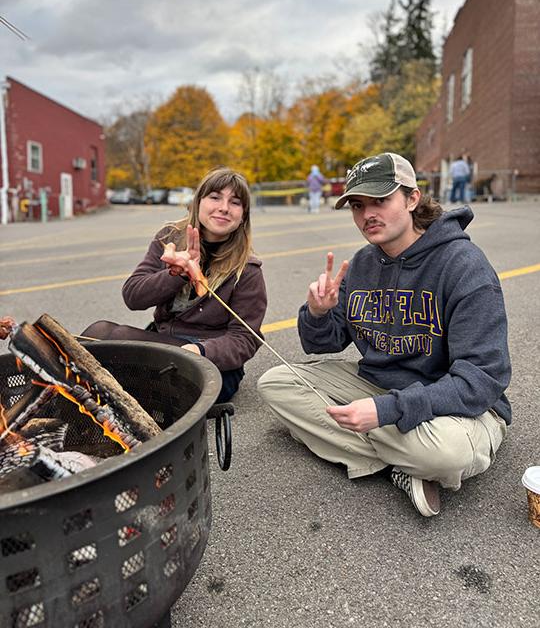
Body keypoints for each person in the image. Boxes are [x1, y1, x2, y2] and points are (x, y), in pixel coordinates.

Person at [258, 152, 511, 517]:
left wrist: (387, 410)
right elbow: (322, 344)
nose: (367, 215)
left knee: (445, 454)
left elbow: (483, 378)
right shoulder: (362, 263)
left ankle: (404, 458)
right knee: (275, 383)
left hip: (458, 408)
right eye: (358, 205)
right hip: (378, 384)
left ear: (412, 198)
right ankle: (402, 468)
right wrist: (317, 312)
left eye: (380, 200)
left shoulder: (464, 265)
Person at [82, 167, 268, 404]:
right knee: (99, 334)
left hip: (211, 366)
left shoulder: (247, 269)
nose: (223, 207)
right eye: (215, 197)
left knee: (129, 377)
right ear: (198, 201)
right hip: (164, 341)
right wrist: (175, 274)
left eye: (235, 202)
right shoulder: (168, 238)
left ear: (243, 215)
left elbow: (245, 338)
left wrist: (200, 351)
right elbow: (133, 297)